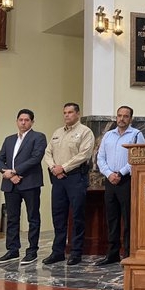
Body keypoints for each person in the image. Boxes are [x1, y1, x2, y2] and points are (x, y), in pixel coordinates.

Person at [42, 102, 95, 266]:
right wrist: (53, 167)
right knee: (58, 215)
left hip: (75, 178)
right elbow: (47, 152)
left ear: (77, 114)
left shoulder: (85, 132)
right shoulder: (57, 132)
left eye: (70, 112)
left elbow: (84, 155)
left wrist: (63, 167)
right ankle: (58, 252)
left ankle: (76, 252)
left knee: (77, 216)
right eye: (65, 112)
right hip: (58, 179)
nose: (67, 115)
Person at [0, 109, 47, 265]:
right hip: (10, 184)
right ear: (17, 121)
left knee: (33, 218)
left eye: (26, 120)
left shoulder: (38, 137)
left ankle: (32, 251)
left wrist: (15, 172)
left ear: (32, 122)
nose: (23, 122)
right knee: (12, 218)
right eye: (20, 120)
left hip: (29, 182)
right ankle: (12, 250)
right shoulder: (9, 139)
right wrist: (8, 173)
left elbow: (35, 158)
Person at [95, 106, 145, 266]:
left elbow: (139, 157)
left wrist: (121, 173)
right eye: (119, 115)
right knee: (112, 218)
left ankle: (129, 253)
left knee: (129, 218)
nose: (121, 119)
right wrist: (109, 174)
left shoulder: (137, 135)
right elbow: (100, 157)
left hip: (127, 180)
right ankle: (112, 254)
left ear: (131, 118)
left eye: (125, 116)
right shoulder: (108, 135)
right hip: (110, 181)